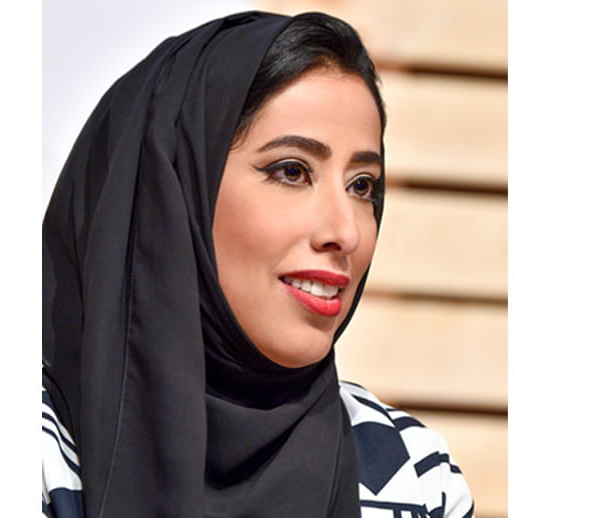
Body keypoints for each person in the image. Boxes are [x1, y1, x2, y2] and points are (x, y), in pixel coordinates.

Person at [42, 10, 475, 518]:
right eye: (292, 171)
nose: (346, 232)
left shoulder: (415, 476)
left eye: (362, 186)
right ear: (174, 193)